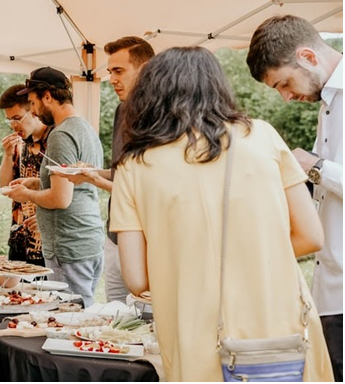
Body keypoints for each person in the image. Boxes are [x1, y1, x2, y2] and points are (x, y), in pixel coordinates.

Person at [110, 46, 333, 381]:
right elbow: (311, 236)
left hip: (192, 334)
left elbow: (138, 277)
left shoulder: (134, 165)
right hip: (278, 332)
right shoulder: (262, 136)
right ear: (217, 86)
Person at [246, 14, 342, 381]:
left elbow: (321, 170)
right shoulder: (327, 105)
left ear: (308, 56)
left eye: (284, 83)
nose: (287, 97)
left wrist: (314, 165)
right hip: (328, 287)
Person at [54, 36, 154, 303]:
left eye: (118, 71)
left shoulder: (162, 118)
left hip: (146, 238)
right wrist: (93, 172)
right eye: (109, 71)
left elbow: (144, 192)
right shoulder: (121, 111)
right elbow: (121, 174)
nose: (111, 79)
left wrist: (95, 180)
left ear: (144, 69)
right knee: (116, 317)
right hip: (114, 234)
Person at [3, 67, 105, 307]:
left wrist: (26, 194)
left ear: (47, 96)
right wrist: (37, 182)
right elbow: (75, 182)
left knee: (69, 319)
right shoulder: (85, 128)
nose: (35, 112)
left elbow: (61, 199)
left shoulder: (61, 134)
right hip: (88, 241)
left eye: (33, 103)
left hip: (68, 246)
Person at [0, 84, 52, 266]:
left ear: (33, 111)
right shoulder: (20, 143)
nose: (13, 125)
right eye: (9, 120)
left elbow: (68, 192)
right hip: (19, 241)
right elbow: (5, 185)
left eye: (17, 118)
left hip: (47, 243)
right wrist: (7, 154)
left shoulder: (56, 141)